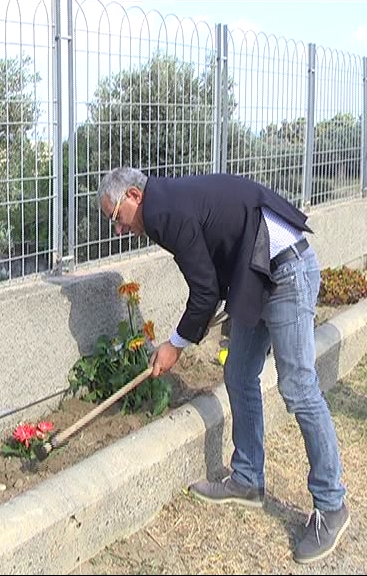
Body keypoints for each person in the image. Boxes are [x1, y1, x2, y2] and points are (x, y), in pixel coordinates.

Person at [97, 167, 349, 564]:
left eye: (115, 217)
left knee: (298, 388)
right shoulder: (165, 204)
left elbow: (204, 292)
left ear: (133, 195)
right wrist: (192, 324)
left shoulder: (164, 211)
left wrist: (175, 345)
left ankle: (332, 505)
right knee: (238, 372)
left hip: (284, 271)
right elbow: (210, 278)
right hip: (256, 273)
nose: (117, 229)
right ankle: (248, 479)